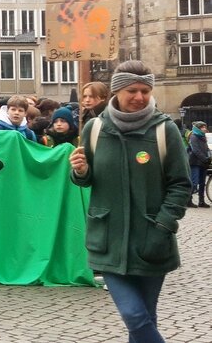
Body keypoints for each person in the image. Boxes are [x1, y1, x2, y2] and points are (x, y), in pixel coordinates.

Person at [69, 60, 190, 343]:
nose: (139, 97)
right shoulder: (95, 129)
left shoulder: (164, 130)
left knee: (145, 317)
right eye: (132, 90)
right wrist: (81, 172)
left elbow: (181, 184)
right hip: (108, 241)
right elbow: (87, 181)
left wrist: (164, 225)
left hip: (152, 241)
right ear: (116, 92)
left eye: (145, 90)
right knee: (135, 316)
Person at [187, 121, 211, 208]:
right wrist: (205, 158)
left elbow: (207, 148)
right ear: (198, 128)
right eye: (202, 127)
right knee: (194, 182)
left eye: (205, 127)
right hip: (195, 163)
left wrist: (209, 157)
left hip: (203, 163)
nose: (204, 128)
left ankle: (201, 201)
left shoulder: (203, 137)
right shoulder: (193, 136)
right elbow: (196, 150)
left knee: (202, 183)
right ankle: (188, 200)